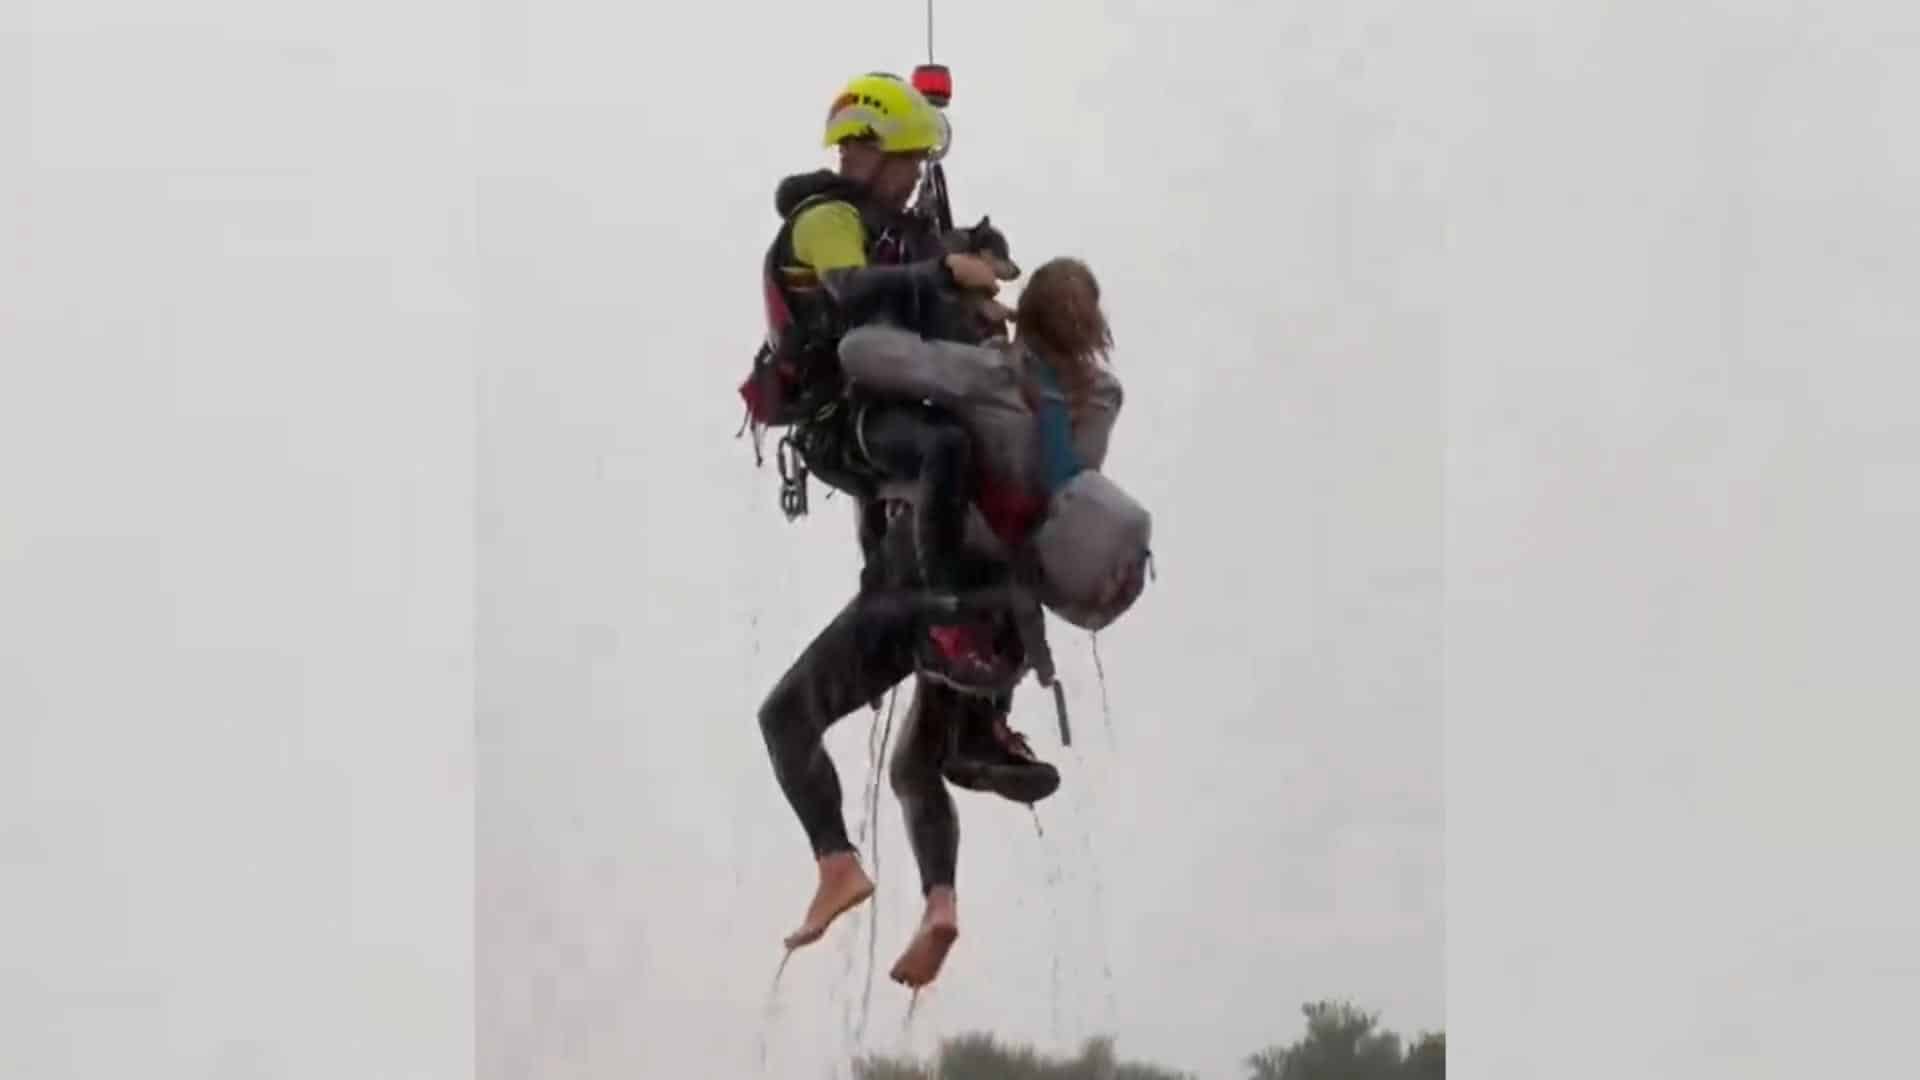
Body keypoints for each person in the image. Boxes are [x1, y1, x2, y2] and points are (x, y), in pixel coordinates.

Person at [764, 256, 1150, 959]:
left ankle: (836, 864)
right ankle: (940, 904)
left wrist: (937, 288)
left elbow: (860, 352)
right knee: (916, 763)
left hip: (922, 595)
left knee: (785, 719)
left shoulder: (988, 373)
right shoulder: (1100, 399)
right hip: (1003, 623)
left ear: (1022, 315)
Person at [742, 70, 1016, 685]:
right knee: (944, 447)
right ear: (865, 154)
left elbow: (920, 255)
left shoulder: (887, 226)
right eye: (908, 162)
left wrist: (976, 246)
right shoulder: (828, 221)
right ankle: (945, 627)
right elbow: (851, 287)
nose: (917, 175)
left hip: (881, 402)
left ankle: (978, 690)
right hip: (838, 421)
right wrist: (946, 273)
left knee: (986, 446)